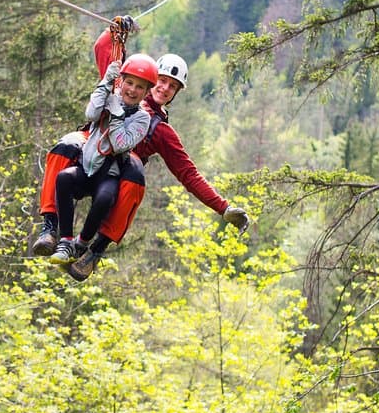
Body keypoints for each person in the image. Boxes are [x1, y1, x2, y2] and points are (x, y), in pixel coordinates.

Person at [32, 17, 250, 280]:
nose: (165, 88)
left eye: (172, 87)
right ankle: (50, 226)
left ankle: (95, 250)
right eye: (163, 80)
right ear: (151, 78)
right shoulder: (124, 84)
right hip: (91, 144)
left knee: (135, 171)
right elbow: (103, 48)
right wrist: (116, 30)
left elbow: (188, 174)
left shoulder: (161, 131)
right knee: (65, 144)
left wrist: (223, 208)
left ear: (175, 93)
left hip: (117, 169)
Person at [47, 52, 159, 266]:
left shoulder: (142, 118)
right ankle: (65, 240)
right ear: (122, 82)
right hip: (86, 167)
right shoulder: (110, 97)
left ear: (145, 93)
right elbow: (91, 114)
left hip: (108, 173)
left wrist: (116, 115)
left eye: (139, 87)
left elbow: (120, 144)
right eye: (129, 83)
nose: (132, 90)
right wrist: (106, 82)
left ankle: (82, 242)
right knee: (63, 178)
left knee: (105, 199)